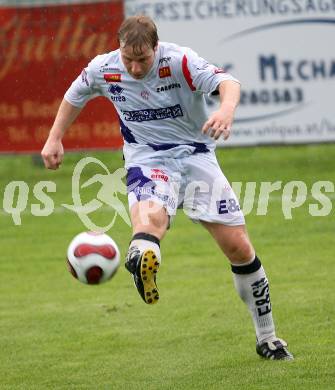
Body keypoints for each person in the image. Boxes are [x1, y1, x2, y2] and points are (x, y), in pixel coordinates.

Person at [41, 15, 293, 361]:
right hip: (146, 159)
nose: (134, 66)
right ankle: (142, 256)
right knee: (149, 223)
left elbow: (229, 83)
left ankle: (268, 338)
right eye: (128, 58)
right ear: (119, 48)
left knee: (239, 247)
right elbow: (74, 96)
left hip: (196, 155)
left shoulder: (179, 61)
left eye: (142, 59)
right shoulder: (104, 68)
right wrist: (55, 138)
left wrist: (227, 110)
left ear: (155, 49)